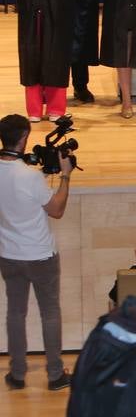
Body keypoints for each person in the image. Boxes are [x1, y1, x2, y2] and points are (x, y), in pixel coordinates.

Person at [0, 114, 74, 391]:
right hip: (40, 254)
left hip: (8, 254)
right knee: (50, 312)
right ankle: (55, 375)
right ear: (24, 139)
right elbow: (56, 210)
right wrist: (65, 176)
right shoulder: (29, 177)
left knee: (15, 313)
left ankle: (17, 374)